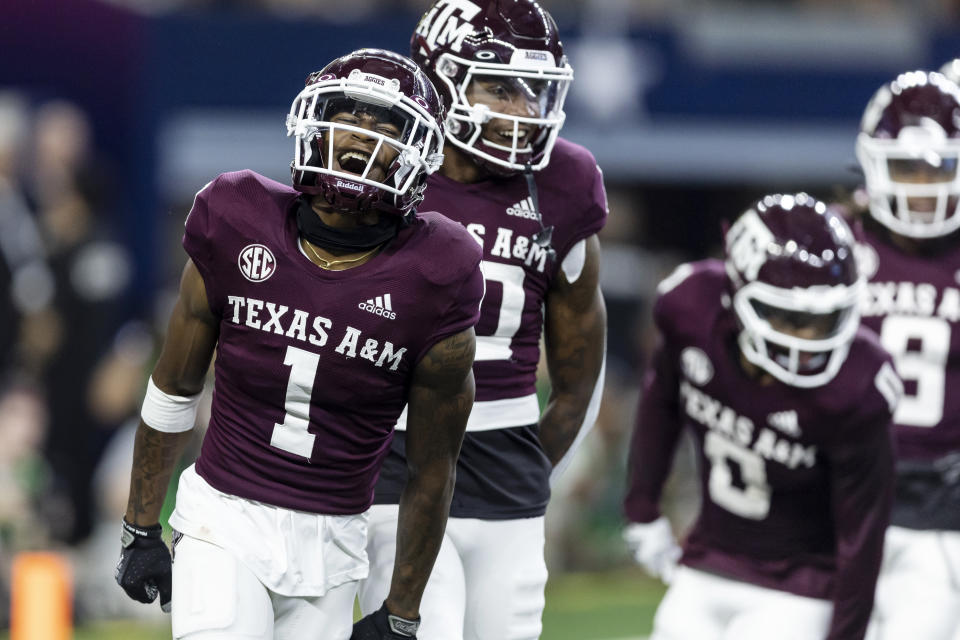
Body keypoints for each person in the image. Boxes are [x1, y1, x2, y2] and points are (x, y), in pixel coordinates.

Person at [114, 48, 486, 640]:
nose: (361, 138)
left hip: (335, 545)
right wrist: (140, 525)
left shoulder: (438, 275)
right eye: (348, 117)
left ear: (419, 155)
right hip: (223, 522)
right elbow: (173, 387)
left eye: (387, 128)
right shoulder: (235, 218)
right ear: (310, 125)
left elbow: (431, 466)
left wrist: (403, 610)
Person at [358, 1, 608, 638]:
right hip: (397, 454)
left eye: (533, 90)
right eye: (499, 87)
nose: (523, 110)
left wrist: (525, 456)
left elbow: (580, 374)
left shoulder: (566, 182)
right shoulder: (387, 168)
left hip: (507, 466)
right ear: (441, 79)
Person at [622, 193, 899, 640]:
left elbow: (862, 537)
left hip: (799, 589)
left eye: (825, 320)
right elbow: (660, 403)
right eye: (789, 317)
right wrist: (642, 507)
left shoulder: (857, 387)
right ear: (738, 294)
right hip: (704, 565)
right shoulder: (691, 309)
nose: (808, 339)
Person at [851, 69, 960, 640]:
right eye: (908, 167)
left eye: (939, 167)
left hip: (941, 516)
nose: (923, 185)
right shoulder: (836, 250)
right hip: (835, 502)